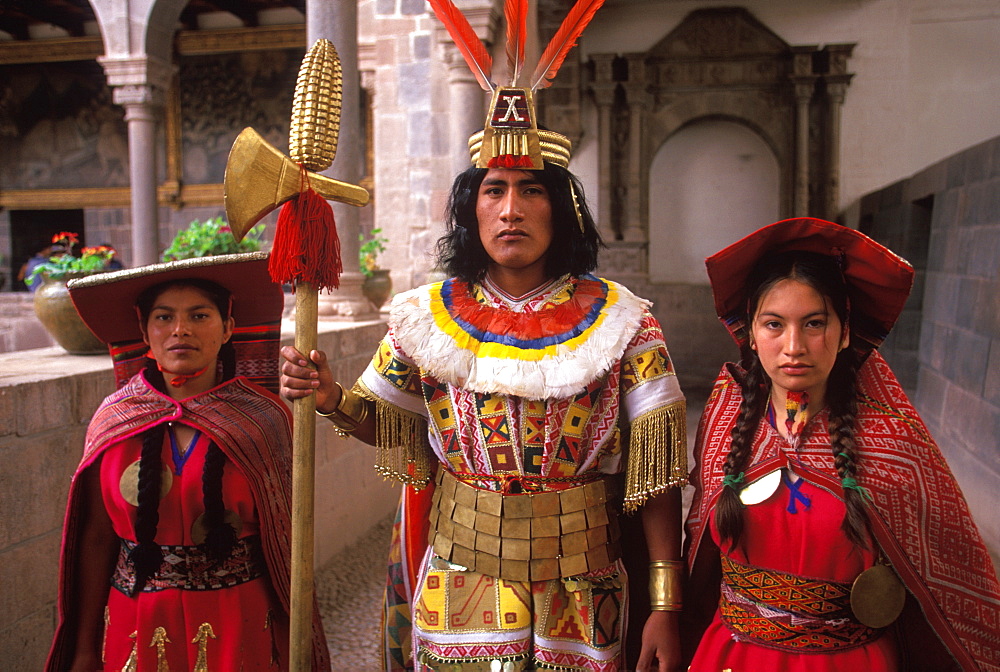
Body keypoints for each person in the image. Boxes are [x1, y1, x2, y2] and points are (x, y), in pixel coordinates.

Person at [281, 156, 687, 669]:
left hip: (584, 582)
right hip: (459, 572)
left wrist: (665, 603)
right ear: (471, 210)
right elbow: (384, 419)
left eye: (532, 191)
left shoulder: (624, 320)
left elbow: (658, 475)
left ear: (562, 209)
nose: (511, 211)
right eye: (494, 191)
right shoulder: (425, 317)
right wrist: (331, 399)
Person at [683, 218, 1000, 671]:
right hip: (732, 655)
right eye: (774, 324)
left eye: (814, 323)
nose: (794, 346)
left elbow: (957, 582)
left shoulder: (893, 442)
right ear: (749, 333)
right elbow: (697, 550)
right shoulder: (725, 422)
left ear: (845, 331)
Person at [46, 252, 331, 672]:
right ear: (144, 331)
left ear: (228, 328)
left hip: (243, 618)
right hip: (135, 620)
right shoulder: (114, 418)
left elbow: (285, 540)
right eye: (163, 318)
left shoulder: (264, 418)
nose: (180, 330)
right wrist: (85, 647)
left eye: (199, 316)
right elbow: (94, 538)